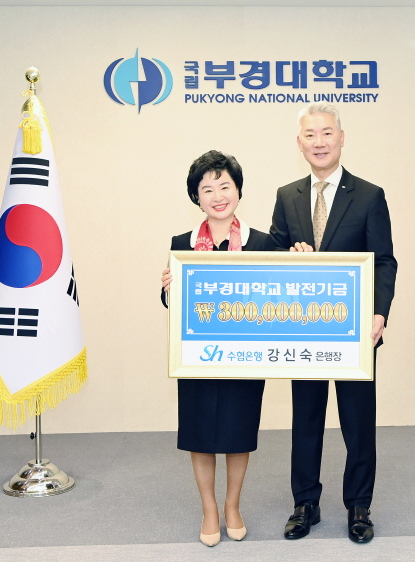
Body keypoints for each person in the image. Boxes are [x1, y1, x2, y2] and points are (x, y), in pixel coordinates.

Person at [269, 103, 398, 544]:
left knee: (358, 423)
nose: (319, 142)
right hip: (305, 331)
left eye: (327, 133)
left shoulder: (369, 195)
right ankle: (305, 503)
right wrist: (288, 255)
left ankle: (359, 506)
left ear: (341, 138)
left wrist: (379, 312)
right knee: (305, 419)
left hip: (356, 331)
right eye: (310, 135)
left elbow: (384, 260)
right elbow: (273, 254)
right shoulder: (287, 195)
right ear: (299, 142)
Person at [161, 150, 275, 547]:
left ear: (238, 190)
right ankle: (209, 508)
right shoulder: (183, 244)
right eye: (207, 189)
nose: (217, 196)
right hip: (197, 357)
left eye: (225, 186)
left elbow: (277, 300)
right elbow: (173, 306)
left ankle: (232, 505)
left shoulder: (263, 243)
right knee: (200, 434)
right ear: (197, 197)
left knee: (238, 433)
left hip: (245, 357)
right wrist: (169, 290)